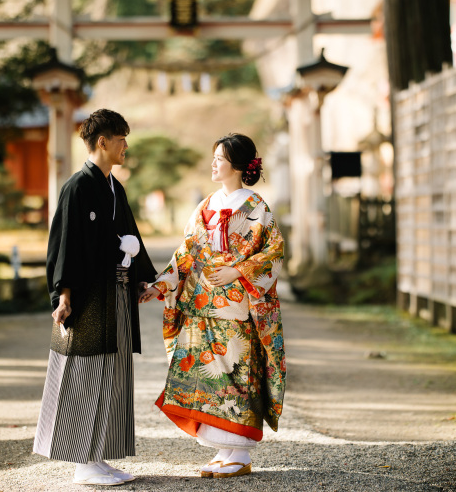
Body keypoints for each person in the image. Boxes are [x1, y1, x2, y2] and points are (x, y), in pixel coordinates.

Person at [141, 132, 286, 479]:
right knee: (209, 376)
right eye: (214, 157)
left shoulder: (257, 207)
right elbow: (187, 251)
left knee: (236, 372)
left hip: (238, 305)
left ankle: (239, 451)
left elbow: (274, 252)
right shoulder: (205, 205)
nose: (214, 163)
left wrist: (237, 268)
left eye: (219, 158)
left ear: (237, 165)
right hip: (202, 305)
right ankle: (225, 450)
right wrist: (160, 285)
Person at [33, 109, 157, 486]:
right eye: (121, 140)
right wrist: (63, 295)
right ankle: (81, 463)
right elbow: (64, 245)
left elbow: (131, 236)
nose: (125, 147)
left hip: (115, 295)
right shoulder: (77, 187)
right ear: (102, 141)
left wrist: (142, 281)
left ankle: (98, 456)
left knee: (112, 374)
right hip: (86, 298)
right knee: (84, 374)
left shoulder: (113, 187)